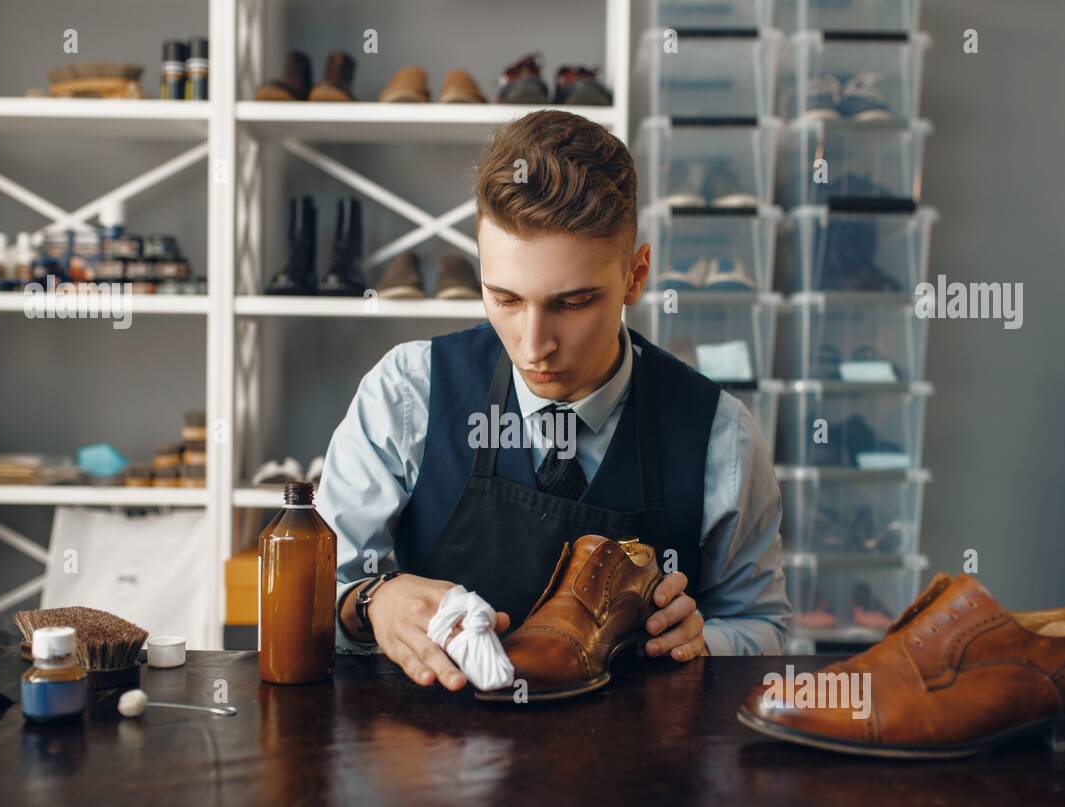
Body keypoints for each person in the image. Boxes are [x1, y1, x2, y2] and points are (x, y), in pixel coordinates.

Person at [318, 109, 790, 691]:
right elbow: (309, 602)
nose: (533, 345)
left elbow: (762, 625)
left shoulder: (720, 436)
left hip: (637, 772)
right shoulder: (407, 394)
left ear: (636, 277)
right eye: (505, 298)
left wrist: (703, 641)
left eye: (573, 303)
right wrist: (372, 602)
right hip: (437, 769)